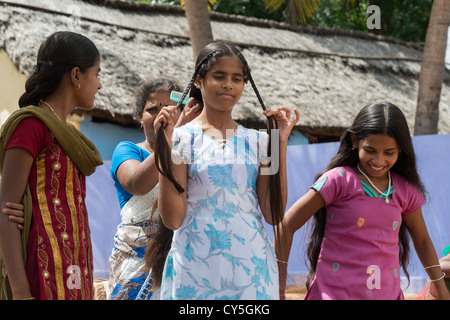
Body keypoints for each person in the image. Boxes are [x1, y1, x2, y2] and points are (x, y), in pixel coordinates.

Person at [153, 41, 299, 300]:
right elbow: (173, 219)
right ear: (199, 80)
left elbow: (273, 213)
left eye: (236, 78)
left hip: (252, 272)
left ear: (245, 84)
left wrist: (280, 143)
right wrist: (167, 147)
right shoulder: (182, 138)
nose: (228, 85)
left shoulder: (260, 141)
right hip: (194, 268)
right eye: (218, 77)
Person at [276, 102, 450, 300]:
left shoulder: (405, 191)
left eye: (389, 152)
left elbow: (423, 240)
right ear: (354, 140)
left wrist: (441, 289)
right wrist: (278, 289)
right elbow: (285, 227)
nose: (378, 160)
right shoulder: (338, 181)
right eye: (370, 150)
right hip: (332, 295)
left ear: (400, 150)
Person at [0, 31, 103, 300]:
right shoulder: (31, 126)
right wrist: (21, 292)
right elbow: (6, 211)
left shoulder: (67, 133)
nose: (100, 85)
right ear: (77, 75)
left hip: (73, 272)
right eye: (97, 74)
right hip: (39, 277)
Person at [107, 78, 201, 300]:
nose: (164, 113)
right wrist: (169, 137)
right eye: (152, 109)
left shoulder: (192, 156)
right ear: (140, 118)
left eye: (171, 107)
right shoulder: (128, 150)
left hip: (183, 261)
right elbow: (137, 184)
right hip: (135, 264)